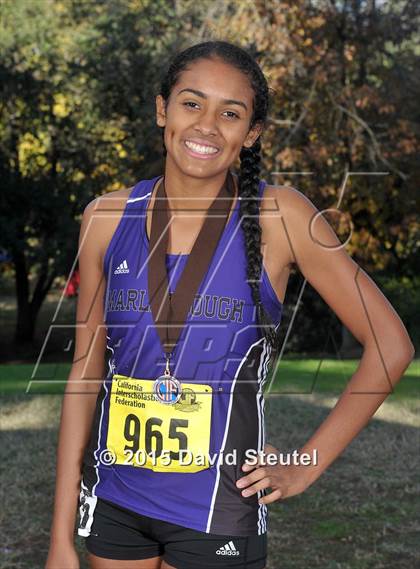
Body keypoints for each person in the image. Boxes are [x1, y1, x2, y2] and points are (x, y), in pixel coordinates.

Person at [45, 40, 414, 569]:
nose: (207, 126)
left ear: (252, 132)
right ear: (162, 109)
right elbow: (84, 380)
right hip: (117, 501)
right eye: (192, 103)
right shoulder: (104, 217)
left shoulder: (281, 216)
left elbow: (391, 345)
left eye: (231, 113)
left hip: (218, 511)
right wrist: (61, 536)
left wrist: (306, 464)